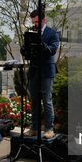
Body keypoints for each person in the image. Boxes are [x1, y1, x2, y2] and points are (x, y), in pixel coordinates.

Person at [20, 9, 59, 139]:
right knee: (34, 101)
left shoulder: (52, 33)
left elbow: (52, 50)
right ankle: (34, 128)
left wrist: (39, 41)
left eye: (37, 21)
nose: (35, 24)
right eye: (33, 22)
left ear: (43, 20)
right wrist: (25, 45)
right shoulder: (31, 31)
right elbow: (23, 51)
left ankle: (49, 128)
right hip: (34, 70)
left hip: (47, 71)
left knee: (46, 100)